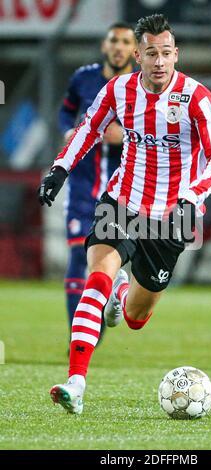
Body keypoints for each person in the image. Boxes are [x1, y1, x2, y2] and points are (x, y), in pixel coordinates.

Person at [38, 14, 211, 415]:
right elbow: (89, 129)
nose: (159, 61)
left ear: (175, 54)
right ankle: (76, 382)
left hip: (172, 216)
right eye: (151, 53)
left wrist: (193, 195)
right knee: (95, 275)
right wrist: (59, 169)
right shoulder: (119, 90)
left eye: (166, 53)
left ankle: (123, 293)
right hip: (122, 201)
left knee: (136, 318)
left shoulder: (196, 97)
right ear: (137, 55)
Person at [58, 23, 136, 332]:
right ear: (105, 46)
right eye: (113, 40)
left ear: (134, 50)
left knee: (108, 260)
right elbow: (65, 111)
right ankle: (76, 331)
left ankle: (112, 298)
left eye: (125, 41)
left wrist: (126, 136)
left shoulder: (139, 86)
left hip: (122, 190)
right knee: (78, 255)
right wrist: (67, 130)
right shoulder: (83, 78)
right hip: (82, 185)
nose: (118, 47)